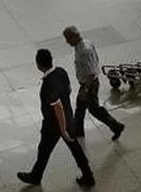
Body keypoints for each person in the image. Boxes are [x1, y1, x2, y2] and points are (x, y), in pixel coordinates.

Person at [17, 49, 95, 188]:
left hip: (53, 125)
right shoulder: (61, 72)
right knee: (75, 148)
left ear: (38, 65)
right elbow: (68, 90)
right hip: (68, 118)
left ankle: (36, 176)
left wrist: (63, 129)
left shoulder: (48, 85)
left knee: (44, 149)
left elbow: (57, 107)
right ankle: (88, 175)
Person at [62, 26, 125, 140]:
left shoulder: (84, 50)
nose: (67, 42)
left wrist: (86, 90)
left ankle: (116, 126)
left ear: (75, 36)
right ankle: (77, 132)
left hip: (89, 84)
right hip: (86, 83)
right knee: (80, 109)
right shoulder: (83, 43)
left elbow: (90, 74)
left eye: (68, 39)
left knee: (94, 109)